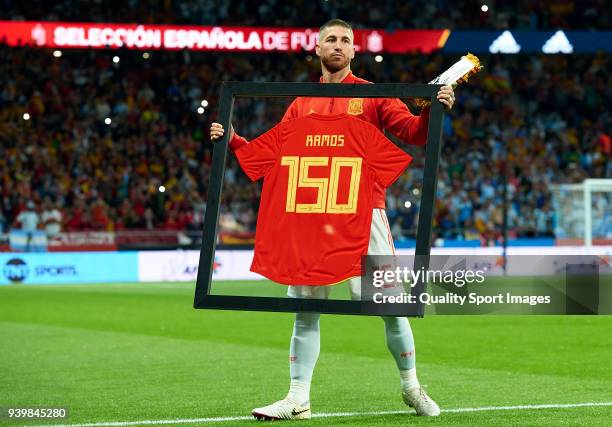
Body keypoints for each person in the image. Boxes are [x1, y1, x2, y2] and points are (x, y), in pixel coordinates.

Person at [210, 19, 455, 420]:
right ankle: (297, 398)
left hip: (365, 213)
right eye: (331, 40)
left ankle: (412, 387)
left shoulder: (374, 96)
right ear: (317, 47)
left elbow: (414, 132)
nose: (338, 46)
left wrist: (434, 113)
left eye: (345, 41)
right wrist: (232, 140)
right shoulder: (300, 101)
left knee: (388, 306)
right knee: (306, 310)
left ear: (354, 51)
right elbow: (271, 153)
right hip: (313, 218)